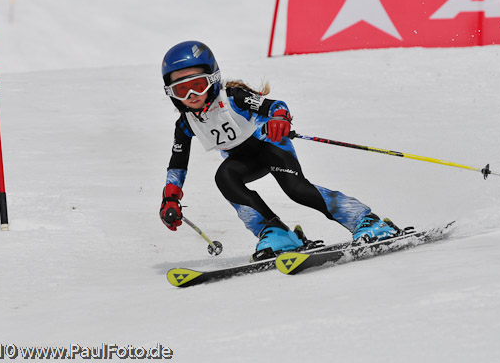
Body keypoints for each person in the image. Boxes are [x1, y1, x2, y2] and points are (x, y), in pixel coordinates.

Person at [159, 41, 400, 261]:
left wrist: (279, 118)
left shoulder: (233, 98)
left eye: (197, 86)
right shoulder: (185, 124)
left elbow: (275, 105)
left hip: (271, 145)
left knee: (296, 189)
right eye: (182, 90)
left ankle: (367, 221)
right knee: (225, 177)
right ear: (172, 94)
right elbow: (177, 163)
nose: (191, 96)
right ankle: (277, 233)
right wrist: (170, 198)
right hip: (243, 161)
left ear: (213, 79)